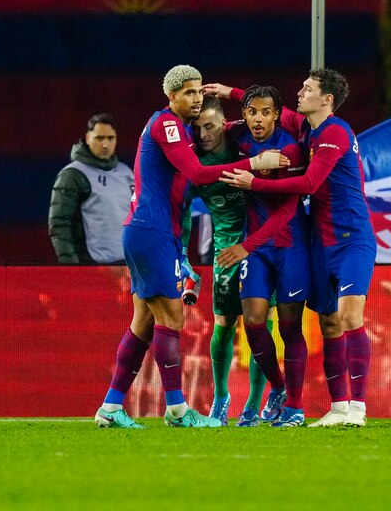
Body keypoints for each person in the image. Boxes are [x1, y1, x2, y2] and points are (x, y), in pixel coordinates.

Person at [93, 64, 288, 429]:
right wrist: (255, 163)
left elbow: (263, 113)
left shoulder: (185, 129)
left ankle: (111, 406)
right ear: (172, 96)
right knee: (173, 318)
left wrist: (233, 96)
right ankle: (179, 411)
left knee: (143, 323)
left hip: (151, 231)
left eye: (199, 91)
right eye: (189, 92)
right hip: (152, 231)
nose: (197, 99)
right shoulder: (168, 124)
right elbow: (197, 174)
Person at [215, 68, 375, 427]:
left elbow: (308, 183)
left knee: (350, 317)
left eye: (307, 88)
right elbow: (264, 106)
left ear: (327, 99)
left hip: (351, 239)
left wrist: (254, 182)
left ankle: (359, 409)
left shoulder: (334, 131)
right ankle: (338, 407)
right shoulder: (307, 128)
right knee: (330, 322)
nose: (299, 93)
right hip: (320, 241)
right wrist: (228, 91)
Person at [214, 85, 310, 427]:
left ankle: (295, 409)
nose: (257, 119)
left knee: (289, 327)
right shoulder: (237, 134)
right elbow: (211, 126)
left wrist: (245, 246)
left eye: (265, 112)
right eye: (252, 112)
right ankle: (280, 388)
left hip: (289, 246)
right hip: (256, 247)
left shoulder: (290, 150)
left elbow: (287, 211)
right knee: (253, 321)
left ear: (276, 114)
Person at [188, 95, 271, 426]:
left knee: (261, 327)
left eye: (209, 126)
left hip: (262, 249)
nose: (203, 134)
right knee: (223, 325)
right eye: (197, 128)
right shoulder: (192, 162)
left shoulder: (246, 145)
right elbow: (177, 204)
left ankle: (253, 403)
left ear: (223, 124)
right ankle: (220, 397)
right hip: (225, 250)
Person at [48, 113, 134, 264]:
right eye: (99, 138)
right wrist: (72, 267)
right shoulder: (73, 175)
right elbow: (59, 224)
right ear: (88, 138)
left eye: (110, 138)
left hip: (126, 265)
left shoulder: (126, 173)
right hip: (92, 265)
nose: (105, 145)